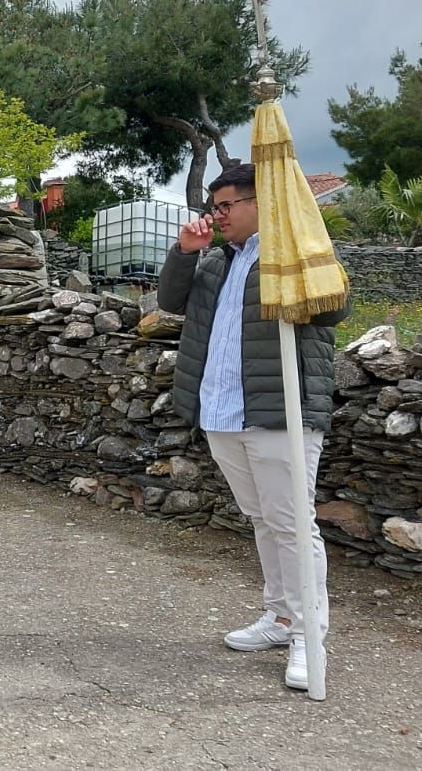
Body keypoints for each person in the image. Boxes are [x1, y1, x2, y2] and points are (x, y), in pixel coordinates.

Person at [157, 163, 352, 691]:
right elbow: (169, 303)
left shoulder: (294, 256)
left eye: (226, 206)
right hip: (221, 411)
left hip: (277, 411)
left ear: (259, 204)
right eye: (213, 207)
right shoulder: (219, 260)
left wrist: (299, 252)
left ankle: (310, 636)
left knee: (292, 524)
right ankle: (281, 617)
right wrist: (183, 252)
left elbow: (335, 307)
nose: (216, 216)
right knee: (263, 520)